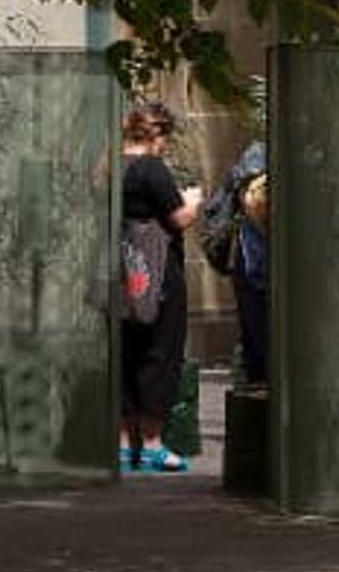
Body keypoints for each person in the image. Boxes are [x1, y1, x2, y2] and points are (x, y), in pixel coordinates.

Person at [114, 99, 204, 473]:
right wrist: (194, 201)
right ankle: (151, 443)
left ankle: (122, 444)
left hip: (122, 271)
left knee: (124, 355)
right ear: (155, 135)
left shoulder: (108, 166)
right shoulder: (152, 169)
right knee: (160, 354)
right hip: (158, 274)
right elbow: (179, 218)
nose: (166, 146)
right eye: (165, 138)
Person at [207, 136, 270, 384]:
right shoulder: (262, 161)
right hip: (258, 265)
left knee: (255, 344)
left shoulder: (254, 157)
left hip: (250, 261)